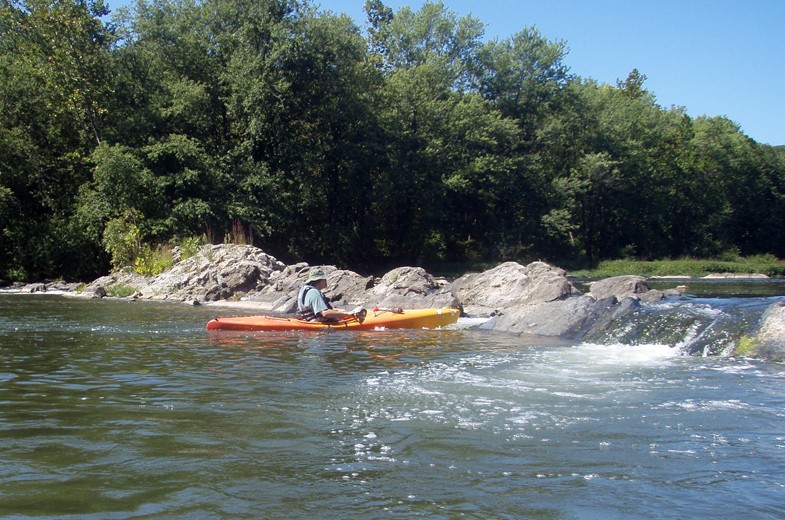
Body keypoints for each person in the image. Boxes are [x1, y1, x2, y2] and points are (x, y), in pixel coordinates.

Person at [297, 267, 366, 322]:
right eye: (324, 279)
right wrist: (348, 313)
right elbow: (325, 313)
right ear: (320, 280)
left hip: (310, 321)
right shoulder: (314, 293)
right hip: (319, 326)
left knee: (344, 313)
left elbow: (326, 309)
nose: (326, 281)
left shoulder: (306, 290)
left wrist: (347, 311)